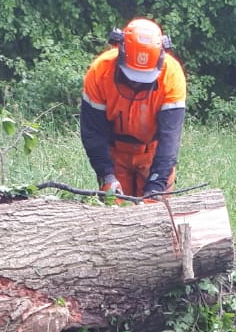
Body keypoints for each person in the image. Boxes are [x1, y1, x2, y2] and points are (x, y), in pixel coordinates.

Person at [79, 17, 186, 198]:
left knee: (156, 211)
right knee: (117, 212)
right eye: (132, 78)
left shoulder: (172, 75)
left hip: (153, 153)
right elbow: (93, 132)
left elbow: (170, 137)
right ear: (120, 51)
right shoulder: (99, 72)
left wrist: (157, 183)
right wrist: (107, 174)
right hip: (116, 155)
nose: (136, 84)